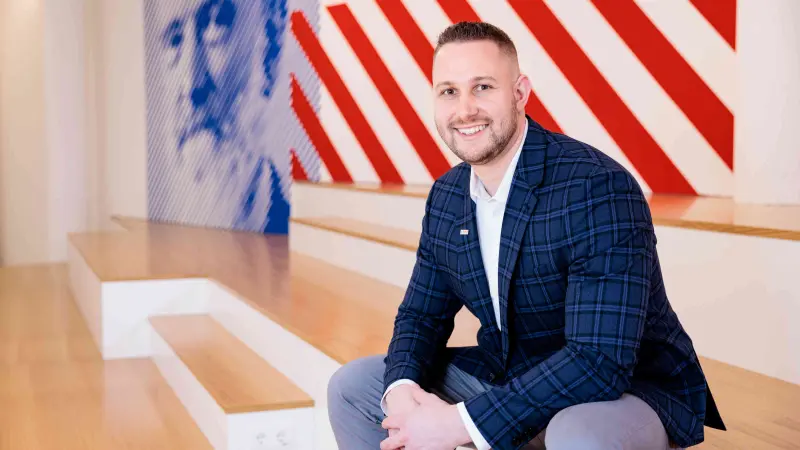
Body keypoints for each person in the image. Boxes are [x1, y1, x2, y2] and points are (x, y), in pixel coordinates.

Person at [327, 21, 725, 450]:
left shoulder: (597, 186)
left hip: (625, 389)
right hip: (510, 374)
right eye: (448, 91)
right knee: (353, 388)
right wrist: (402, 389)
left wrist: (460, 423)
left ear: (519, 93)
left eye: (482, 87)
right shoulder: (446, 196)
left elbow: (599, 362)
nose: (465, 110)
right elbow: (421, 317)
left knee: (577, 436)